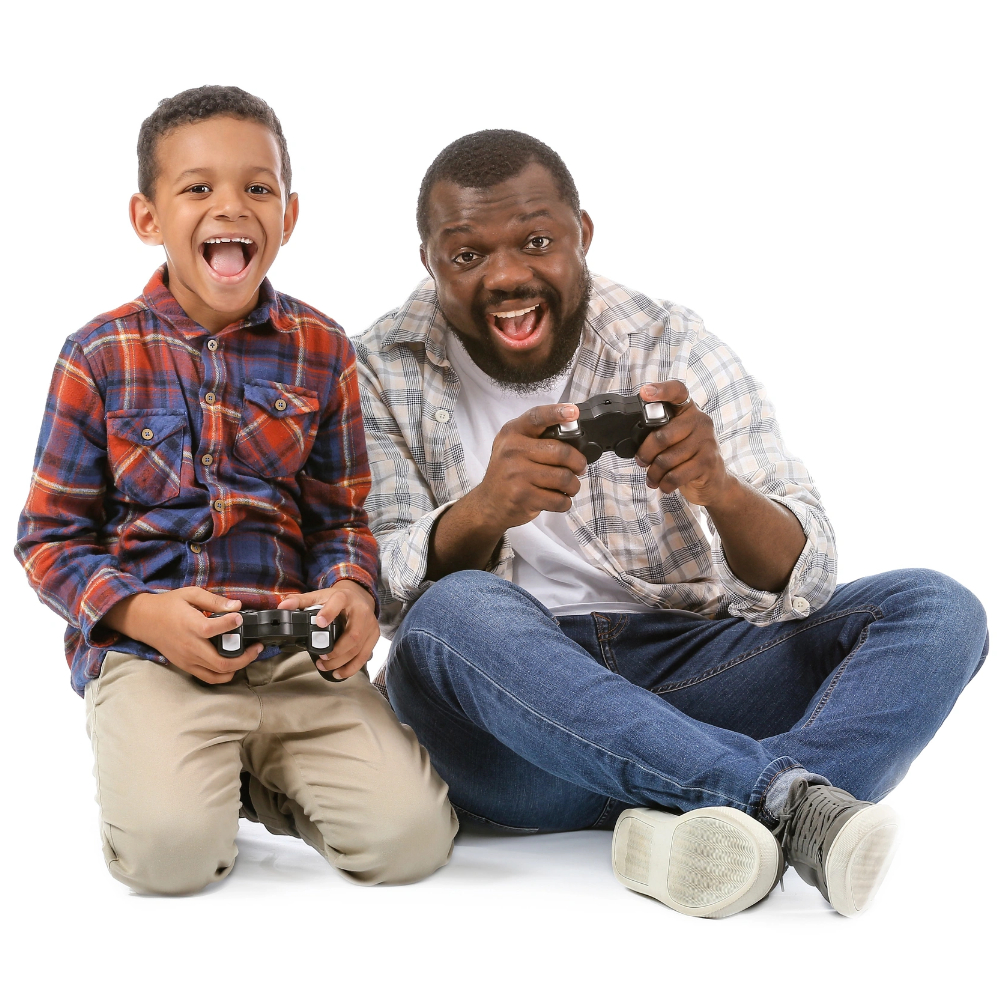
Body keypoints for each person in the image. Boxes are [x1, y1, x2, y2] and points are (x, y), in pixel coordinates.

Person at [355, 129, 988, 919]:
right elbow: (377, 593)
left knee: (936, 608)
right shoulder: (377, 367)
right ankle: (789, 801)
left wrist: (719, 489)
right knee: (450, 612)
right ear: (429, 261)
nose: (508, 276)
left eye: (538, 241)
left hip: (685, 667)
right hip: (505, 721)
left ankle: (690, 817)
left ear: (583, 234)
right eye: (466, 256)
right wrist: (485, 509)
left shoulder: (668, 339)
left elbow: (804, 571)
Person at [14, 86, 456, 895]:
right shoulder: (98, 353)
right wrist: (141, 613)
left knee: (412, 844)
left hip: (293, 653)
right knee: (171, 860)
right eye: (197, 188)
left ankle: (242, 780)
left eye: (258, 188)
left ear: (288, 214)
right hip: (155, 655)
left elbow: (339, 518)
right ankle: (176, 772)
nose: (232, 206)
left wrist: (352, 592)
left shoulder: (321, 349)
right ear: (147, 217)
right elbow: (48, 540)